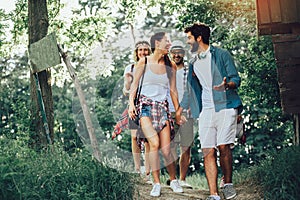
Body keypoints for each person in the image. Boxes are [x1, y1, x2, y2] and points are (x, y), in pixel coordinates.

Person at [176, 23, 243, 200]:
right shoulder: (194, 63)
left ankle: (227, 184)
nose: (187, 41)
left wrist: (226, 85)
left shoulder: (221, 55)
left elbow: (236, 78)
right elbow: (190, 90)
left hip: (226, 107)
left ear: (199, 38)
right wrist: (179, 110)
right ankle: (213, 194)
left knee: (223, 147)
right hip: (206, 110)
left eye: (189, 38)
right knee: (208, 150)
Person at [128, 32, 183, 197]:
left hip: (162, 108)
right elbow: (134, 86)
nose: (170, 43)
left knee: (166, 150)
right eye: (167, 41)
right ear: (157, 43)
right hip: (145, 107)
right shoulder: (143, 62)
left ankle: (173, 180)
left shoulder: (171, 65)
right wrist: (131, 104)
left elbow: (173, 90)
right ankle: (156, 183)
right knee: (153, 142)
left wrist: (178, 110)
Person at [123, 41, 151, 183]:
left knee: (147, 139)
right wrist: (128, 81)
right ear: (136, 52)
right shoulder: (130, 67)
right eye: (140, 50)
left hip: (148, 105)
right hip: (134, 105)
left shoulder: (153, 67)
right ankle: (137, 169)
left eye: (146, 50)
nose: (143, 53)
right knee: (134, 137)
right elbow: (126, 90)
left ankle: (148, 172)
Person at [167, 40, 194, 188]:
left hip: (186, 112)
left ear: (183, 54)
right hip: (170, 112)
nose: (177, 55)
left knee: (186, 146)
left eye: (179, 52)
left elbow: (194, 89)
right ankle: (173, 178)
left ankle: (183, 179)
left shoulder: (189, 69)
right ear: (171, 54)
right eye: (174, 52)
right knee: (170, 146)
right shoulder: (166, 70)